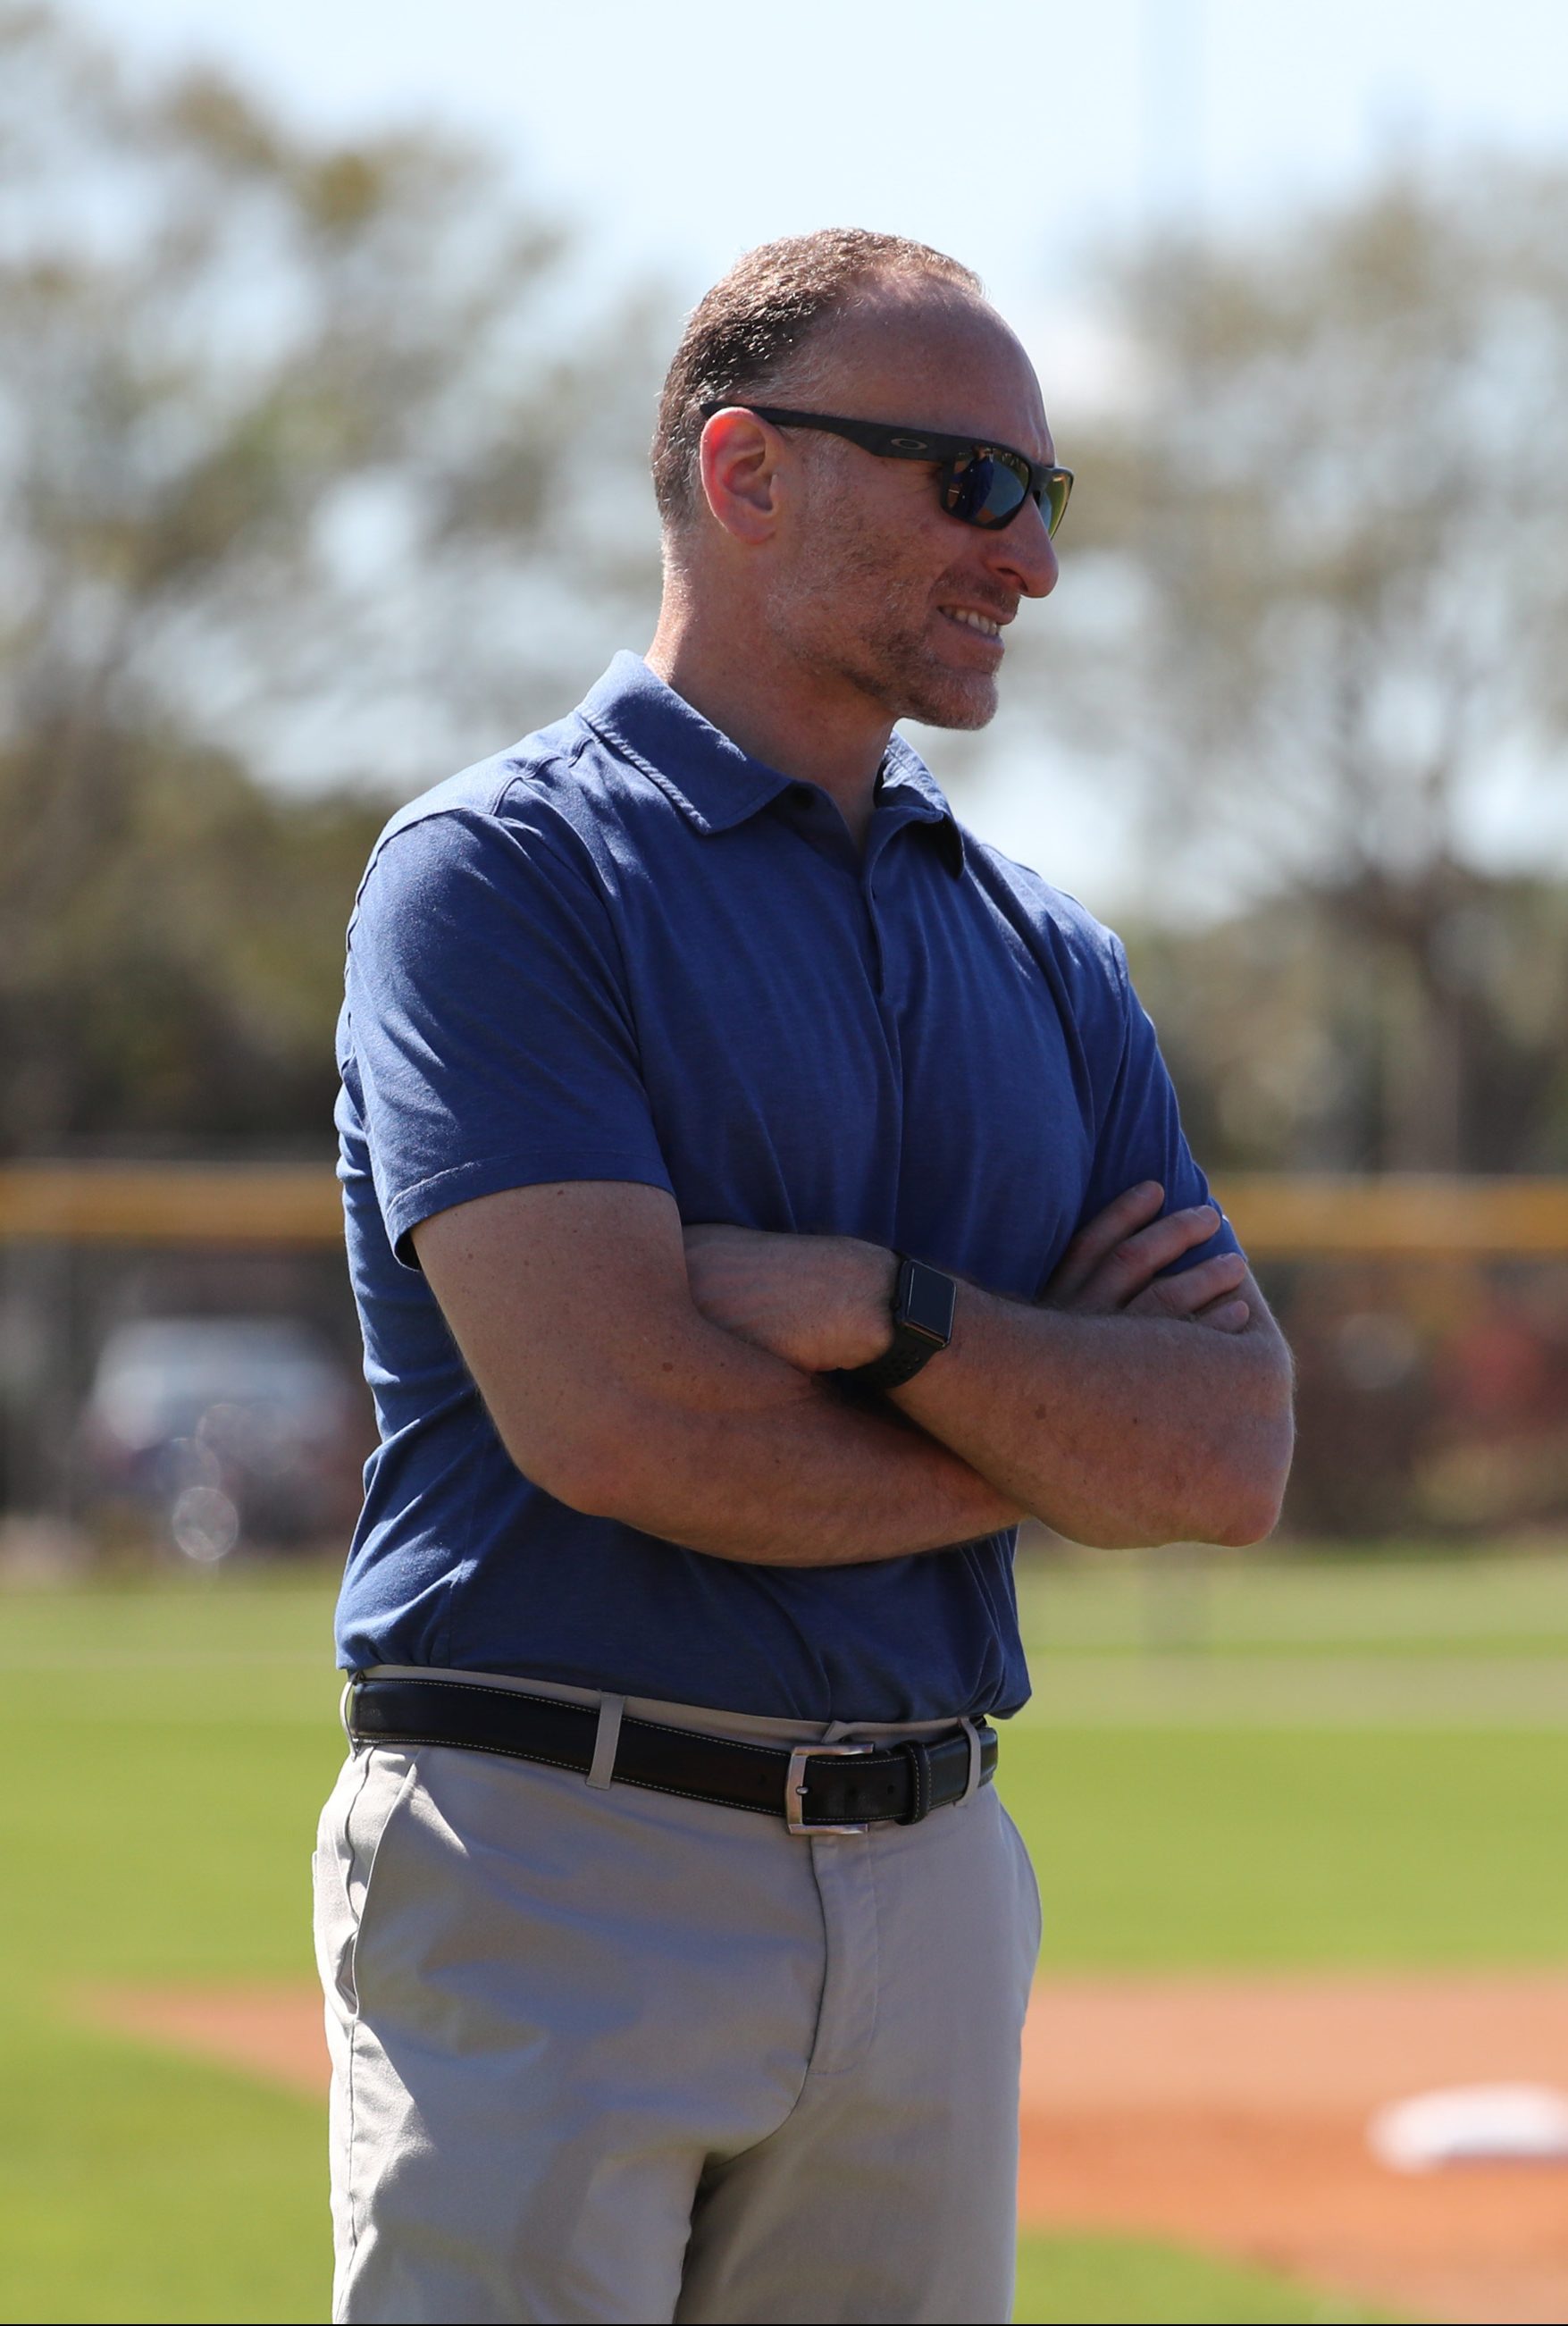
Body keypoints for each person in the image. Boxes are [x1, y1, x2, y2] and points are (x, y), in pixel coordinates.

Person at [315, 227, 1295, 2326]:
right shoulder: (494, 882)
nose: (1027, 557)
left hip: (938, 1883)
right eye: (974, 484)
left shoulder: (1050, 956)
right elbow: (619, 1422)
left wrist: (888, 1314)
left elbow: (1223, 1454)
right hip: (552, 1849)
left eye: (1044, 497)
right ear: (743, 471)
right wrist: (1055, 1442)